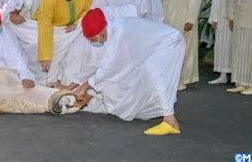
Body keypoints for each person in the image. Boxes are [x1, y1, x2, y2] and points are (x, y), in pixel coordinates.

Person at [73, 8, 185, 136]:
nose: (94, 43)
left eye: (93, 40)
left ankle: (170, 121)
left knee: (154, 71)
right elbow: (112, 70)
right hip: (154, 49)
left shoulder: (118, 34)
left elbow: (108, 70)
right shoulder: (111, 34)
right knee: (141, 76)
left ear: (101, 33)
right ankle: (163, 114)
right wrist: (90, 93)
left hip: (171, 41)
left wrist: (84, 87)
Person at [35, 0, 93, 80]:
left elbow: (87, 9)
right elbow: (45, 24)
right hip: (49, 29)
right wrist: (45, 56)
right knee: (44, 64)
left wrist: (76, 23)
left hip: (69, 30)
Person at [163, 0, 203, 91]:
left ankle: (182, 79)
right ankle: (172, 78)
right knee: (171, 49)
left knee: (184, 49)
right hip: (169, 19)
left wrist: (191, 20)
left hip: (184, 20)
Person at [207, 0, 239, 84]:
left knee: (235, 47)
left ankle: (238, 77)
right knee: (222, 46)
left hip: (235, 18)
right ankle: (223, 75)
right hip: (221, 17)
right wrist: (214, 17)